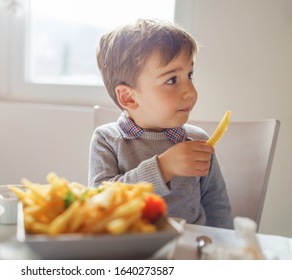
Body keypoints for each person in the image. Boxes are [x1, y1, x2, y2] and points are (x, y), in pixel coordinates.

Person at [88, 19, 233, 229]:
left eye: (190, 75)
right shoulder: (107, 140)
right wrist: (163, 168)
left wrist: (224, 246)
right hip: (128, 249)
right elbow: (99, 200)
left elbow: (216, 205)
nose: (191, 92)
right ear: (128, 98)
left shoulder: (199, 140)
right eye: (172, 80)